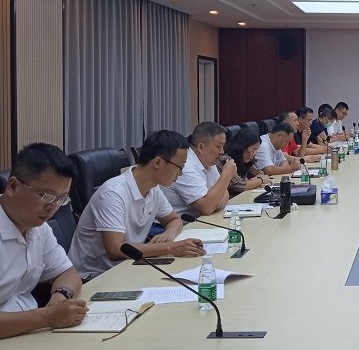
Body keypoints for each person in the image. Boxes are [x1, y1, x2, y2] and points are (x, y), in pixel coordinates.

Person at [69, 130, 205, 281]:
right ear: (158, 162)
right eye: (180, 167)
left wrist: (169, 234)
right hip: (94, 277)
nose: (180, 174)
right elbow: (116, 249)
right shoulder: (113, 194)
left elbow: (174, 219)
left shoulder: (153, 189)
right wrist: (170, 247)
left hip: (129, 266)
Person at [0, 143, 87, 338]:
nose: (53, 207)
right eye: (46, 196)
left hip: (30, 334)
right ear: (12, 186)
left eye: (62, 199)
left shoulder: (37, 227)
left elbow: (67, 273)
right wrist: (47, 317)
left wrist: (60, 297)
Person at [162, 121, 237, 217]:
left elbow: (223, 192)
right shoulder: (185, 166)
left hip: (201, 220)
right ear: (201, 147)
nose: (222, 151)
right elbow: (206, 208)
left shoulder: (209, 161)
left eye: (223, 146)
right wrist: (226, 175)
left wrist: (214, 202)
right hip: (181, 224)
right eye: (218, 146)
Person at [219, 128, 271, 196]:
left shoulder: (246, 160)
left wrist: (254, 181)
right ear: (242, 146)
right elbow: (238, 186)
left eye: (256, 151)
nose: (253, 154)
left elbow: (259, 173)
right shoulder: (226, 160)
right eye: (252, 150)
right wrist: (261, 180)